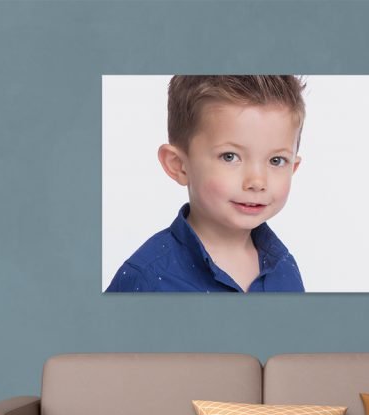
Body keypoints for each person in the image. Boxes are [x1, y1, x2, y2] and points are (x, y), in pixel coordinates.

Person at [106, 75, 306, 293]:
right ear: (179, 165)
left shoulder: (285, 269)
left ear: (293, 168)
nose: (257, 182)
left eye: (276, 161)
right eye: (230, 156)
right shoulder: (147, 280)